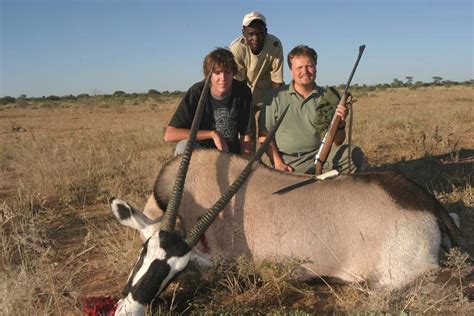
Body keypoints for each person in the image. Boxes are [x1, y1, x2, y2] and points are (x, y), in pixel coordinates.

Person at [258, 45, 364, 175]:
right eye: (299, 68)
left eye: (309, 66)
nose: (305, 71)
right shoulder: (275, 97)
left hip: (320, 157)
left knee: (354, 154)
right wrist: (278, 163)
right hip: (288, 163)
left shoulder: (328, 97)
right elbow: (264, 136)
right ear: (291, 70)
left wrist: (340, 124)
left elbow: (338, 141)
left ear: (316, 68)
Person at [164, 47, 253, 157]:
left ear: (233, 73)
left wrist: (244, 163)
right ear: (208, 75)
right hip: (202, 153)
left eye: (228, 72)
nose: (223, 78)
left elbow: (246, 136)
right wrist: (213, 134)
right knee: (184, 147)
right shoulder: (197, 91)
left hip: (230, 154)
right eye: (217, 73)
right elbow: (170, 134)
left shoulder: (243, 92)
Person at [229, 11, 284, 150]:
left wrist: (277, 106)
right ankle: (249, 165)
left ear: (266, 31)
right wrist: (244, 109)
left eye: (260, 33)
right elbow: (238, 83)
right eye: (251, 34)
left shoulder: (275, 45)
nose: (256, 38)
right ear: (243, 33)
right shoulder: (236, 49)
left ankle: (276, 165)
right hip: (244, 94)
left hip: (267, 96)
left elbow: (277, 81)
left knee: (268, 134)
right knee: (248, 135)